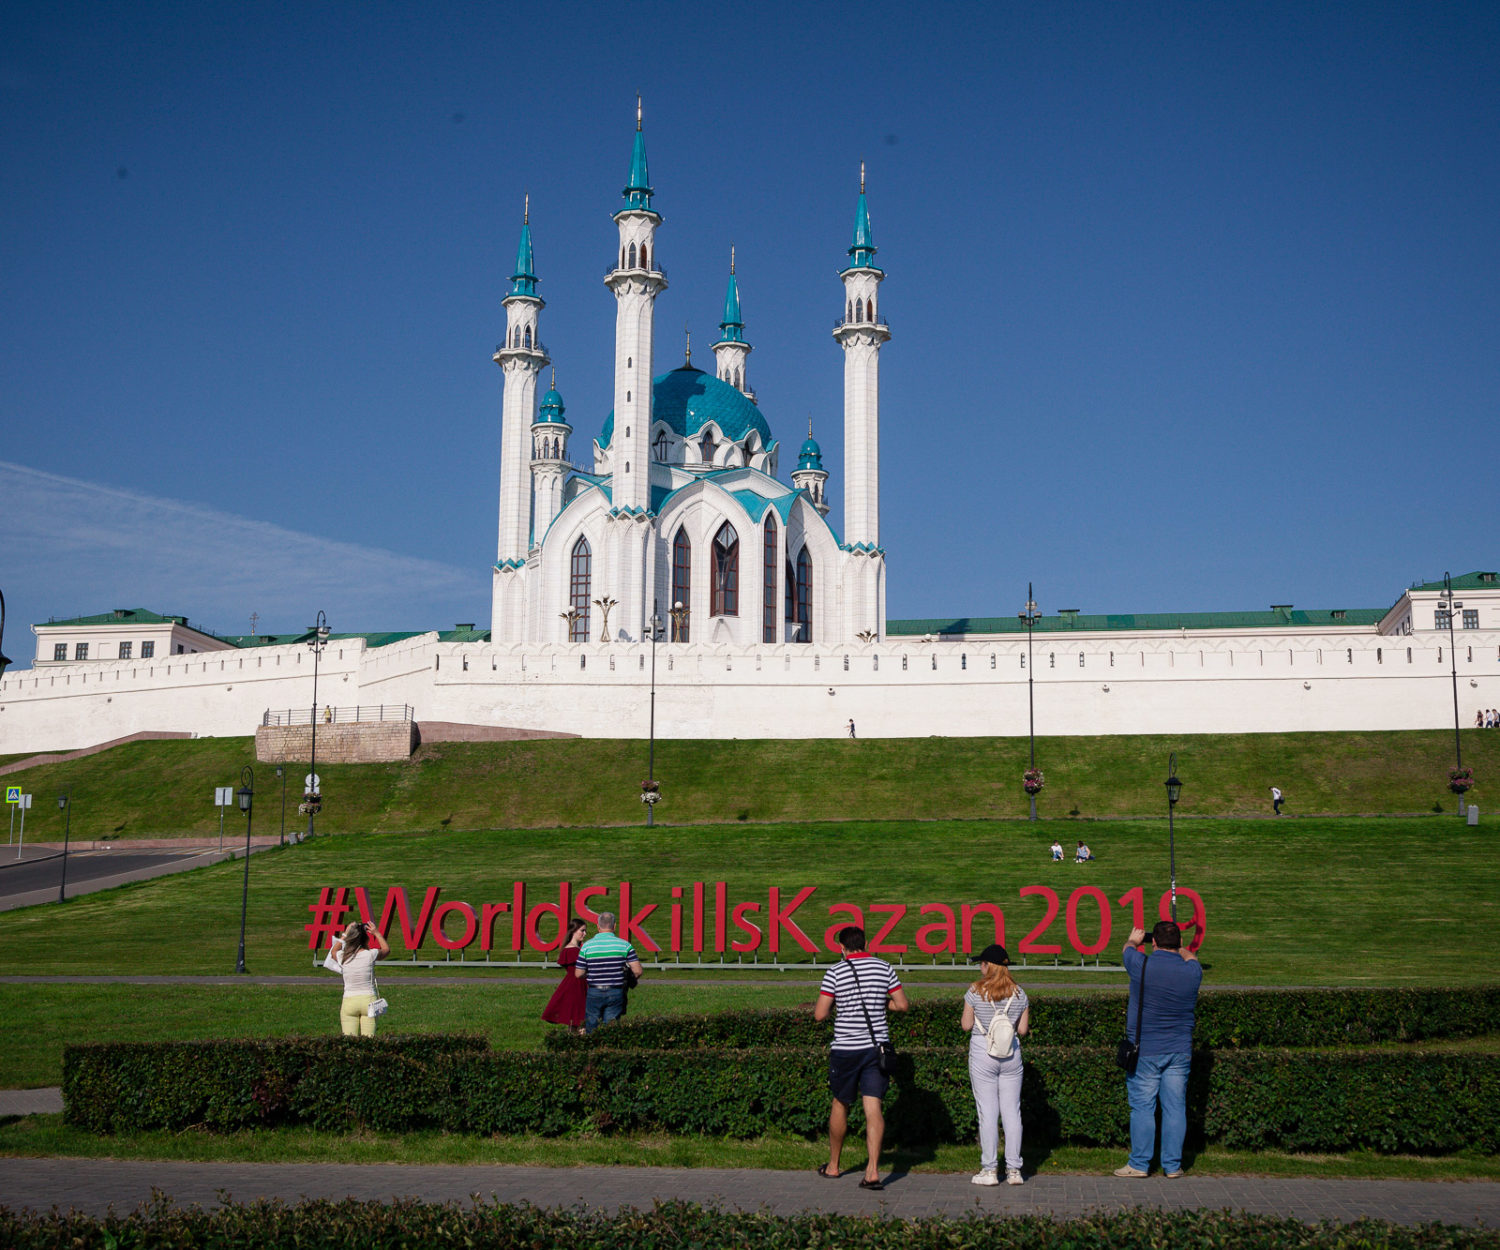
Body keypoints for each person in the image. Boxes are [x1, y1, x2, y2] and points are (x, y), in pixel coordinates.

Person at [813, 925, 909, 1190]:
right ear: (865, 944)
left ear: (842, 948)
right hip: (876, 1048)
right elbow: (902, 1005)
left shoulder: (835, 971)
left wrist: (840, 1006)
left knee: (841, 1103)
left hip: (845, 1049)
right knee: (873, 1106)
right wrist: (881, 1004)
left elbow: (820, 1014)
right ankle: (873, 1171)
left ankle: (833, 1166)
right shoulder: (884, 967)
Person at [1115, 920, 1202, 1179]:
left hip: (1146, 1050)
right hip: (1179, 1050)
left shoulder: (1143, 965)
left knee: (1143, 1107)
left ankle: (1140, 1164)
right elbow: (1191, 957)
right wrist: (1182, 949)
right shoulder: (1193, 971)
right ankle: (1173, 1166)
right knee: (1175, 1107)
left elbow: (1126, 949)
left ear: (1153, 943)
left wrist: (1134, 939)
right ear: (1178, 944)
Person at [961, 943, 1030, 1186]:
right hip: (1011, 1055)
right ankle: (1014, 1170)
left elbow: (966, 1025)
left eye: (982, 963)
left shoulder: (974, 991)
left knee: (987, 1113)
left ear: (987, 966)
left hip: (983, 1053)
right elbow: (1022, 1030)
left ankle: (989, 1170)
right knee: (1012, 1112)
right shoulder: (1020, 994)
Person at [575, 911, 644, 1033]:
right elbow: (638, 971)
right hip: (616, 990)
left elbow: (579, 973)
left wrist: (592, 974)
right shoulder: (625, 945)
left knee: (591, 1026)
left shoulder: (587, 947)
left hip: (594, 991)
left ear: (598, 926)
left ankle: (593, 1049)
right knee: (611, 1028)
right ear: (614, 926)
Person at [330, 919, 389, 1036]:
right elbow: (386, 950)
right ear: (365, 939)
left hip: (349, 1000)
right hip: (368, 1000)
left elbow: (333, 951)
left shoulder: (343, 957)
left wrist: (345, 934)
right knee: (369, 1041)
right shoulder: (370, 954)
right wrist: (376, 933)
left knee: (349, 1041)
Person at [542, 917, 589, 1034]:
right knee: (581, 1021)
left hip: (576, 985)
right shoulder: (572, 951)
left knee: (574, 1022)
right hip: (577, 987)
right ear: (574, 931)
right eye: (582, 930)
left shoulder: (574, 949)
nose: (585, 933)